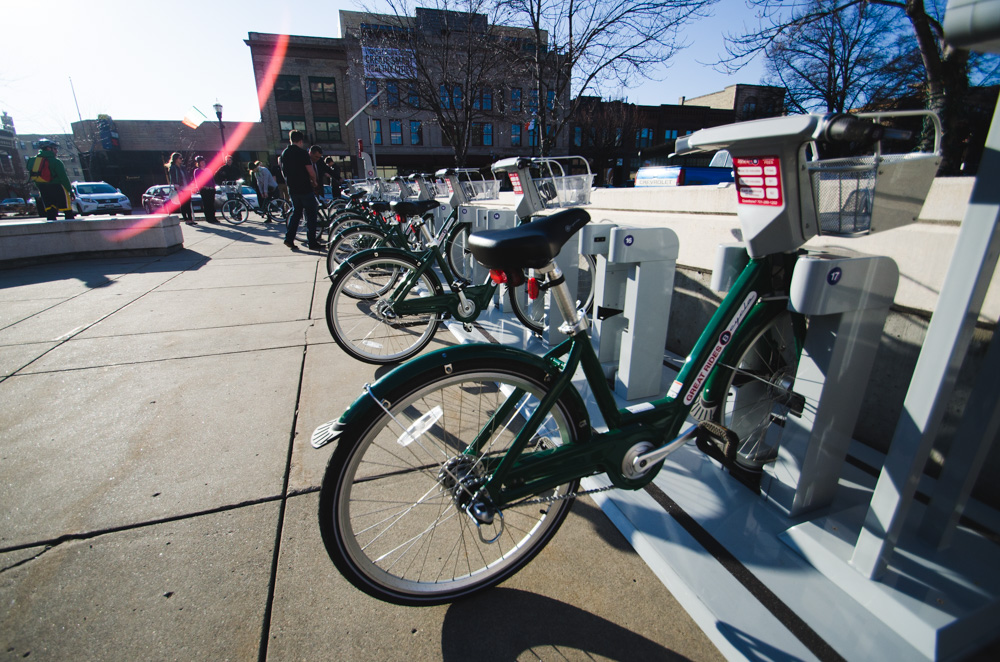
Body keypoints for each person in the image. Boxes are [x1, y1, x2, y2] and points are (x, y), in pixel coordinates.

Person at [280, 131, 321, 251]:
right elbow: (310, 171)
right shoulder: (302, 153)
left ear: (290, 140)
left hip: (292, 188)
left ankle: (289, 238)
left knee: (296, 213)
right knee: (311, 215)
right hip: (304, 188)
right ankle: (312, 242)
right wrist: (314, 181)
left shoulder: (284, 153)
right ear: (301, 141)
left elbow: (283, 171)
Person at [31, 139, 75, 221]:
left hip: (43, 188)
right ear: (48, 148)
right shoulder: (56, 161)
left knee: (50, 213)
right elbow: (63, 178)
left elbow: (34, 177)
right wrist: (70, 191)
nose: (56, 151)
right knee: (68, 212)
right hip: (58, 187)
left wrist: (40, 187)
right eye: (54, 148)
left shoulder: (34, 162)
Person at [166, 152, 195, 225]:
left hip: (187, 187)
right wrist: (177, 186)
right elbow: (173, 178)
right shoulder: (172, 168)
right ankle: (186, 219)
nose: (182, 159)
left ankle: (190, 219)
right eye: (180, 158)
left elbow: (187, 177)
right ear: (176, 159)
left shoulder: (183, 167)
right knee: (183, 204)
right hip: (180, 188)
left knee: (188, 204)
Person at [193, 155, 220, 224]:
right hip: (204, 189)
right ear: (198, 163)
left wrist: (213, 187)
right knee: (206, 204)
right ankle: (208, 218)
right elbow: (197, 180)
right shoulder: (197, 171)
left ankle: (213, 217)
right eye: (201, 162)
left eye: (203, 162)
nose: (203, 163)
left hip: (211, 189)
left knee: (212, 204)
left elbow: (212, 179)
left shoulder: (208, 170)